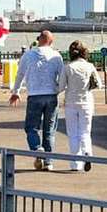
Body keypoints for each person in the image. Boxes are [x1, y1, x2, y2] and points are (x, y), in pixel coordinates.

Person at [8, 30, 65, 169]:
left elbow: (20, 74)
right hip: (51, 95)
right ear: (51, 42)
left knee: (31, 128)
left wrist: (16, 92)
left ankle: (36, 148)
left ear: (38, 39)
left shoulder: (28, 55)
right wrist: (58, 90)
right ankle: (48, 162)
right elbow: (62, 77)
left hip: (34, 95)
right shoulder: (56, 56)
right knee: (49, 129)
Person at [59, 40, 101, 172]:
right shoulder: (90, 66)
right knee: (85, 132)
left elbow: (60, 86)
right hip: (87, 102)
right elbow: (99, 84)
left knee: (72, 133)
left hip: (71, 103)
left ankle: (75, 164)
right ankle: (87, 153)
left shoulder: (68, 67)